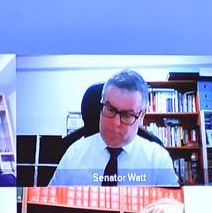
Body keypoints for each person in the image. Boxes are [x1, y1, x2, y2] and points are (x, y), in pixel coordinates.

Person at [49, 70, 179, 186]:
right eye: (110, 109)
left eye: (127, 115)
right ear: (101, 106)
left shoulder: (158, 159)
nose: (115, 123)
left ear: (141, 116)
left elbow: (169, 211)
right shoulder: (74, 154)